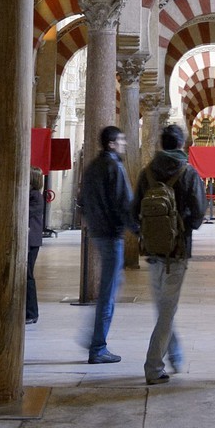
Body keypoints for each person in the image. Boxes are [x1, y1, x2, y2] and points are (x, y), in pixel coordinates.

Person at [133, 122, 207, 385]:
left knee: (164, 306)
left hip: (152, 251)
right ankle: (153, 365)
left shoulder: (146, 173)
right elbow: (198, 216)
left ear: (160, 144)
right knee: (167, 309)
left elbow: (133, 213)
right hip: (177, 252)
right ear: (180, 144)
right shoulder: (188, 173)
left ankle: (174, 351)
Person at [78, 125, 134, 363]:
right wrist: (139, 230)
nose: (124, 144)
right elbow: (125, 204)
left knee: (111, 286)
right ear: (111, 144)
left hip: (98, 233)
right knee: (108, 292)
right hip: (111, 235)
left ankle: (93, 337)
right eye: (121, 140)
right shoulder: (114, 166)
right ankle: (97, 346)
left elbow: (82, 201)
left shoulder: (91, 168)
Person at [26, 167, 45, 324]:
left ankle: (32, 312)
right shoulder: (31, 195)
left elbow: (25, 212)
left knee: (28, 276)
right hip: (29, 240)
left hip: (31, 241)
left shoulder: (36, 196)